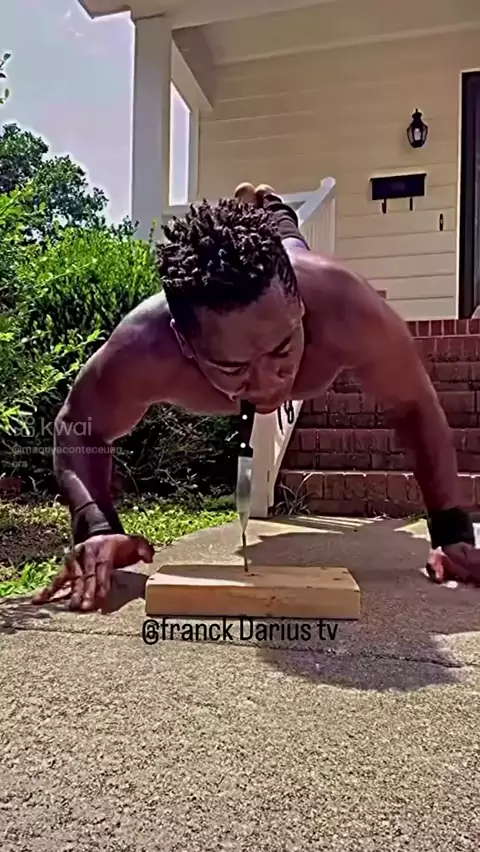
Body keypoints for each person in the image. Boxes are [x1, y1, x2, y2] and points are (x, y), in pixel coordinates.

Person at [32, 183, 480, 612]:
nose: (268, 386)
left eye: (282, 349)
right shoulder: (144, 348)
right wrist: (96, 526)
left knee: (291, 246)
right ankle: (259, 210)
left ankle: (270, 206)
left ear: (299, 307)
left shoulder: (348, 308)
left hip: (297, 265)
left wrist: (451, 530)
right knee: (286, 261)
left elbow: (414, 405)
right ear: (184, 344)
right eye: (234, 368)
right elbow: (76, 427)